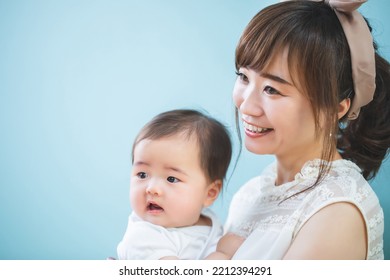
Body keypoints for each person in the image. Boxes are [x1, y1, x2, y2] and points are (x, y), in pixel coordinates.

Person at [207, 0, 390, 260]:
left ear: (335, 108)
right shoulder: (250, 194)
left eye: (272, 89)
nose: (247, 105)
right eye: (244, 77)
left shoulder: (336, 211)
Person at [116, 109, 232, 260]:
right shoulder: (144, 238)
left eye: (171, 179)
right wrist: (223, 255)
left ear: (209, 193)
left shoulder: (208, 221)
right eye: (142, 174)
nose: (152, 188)